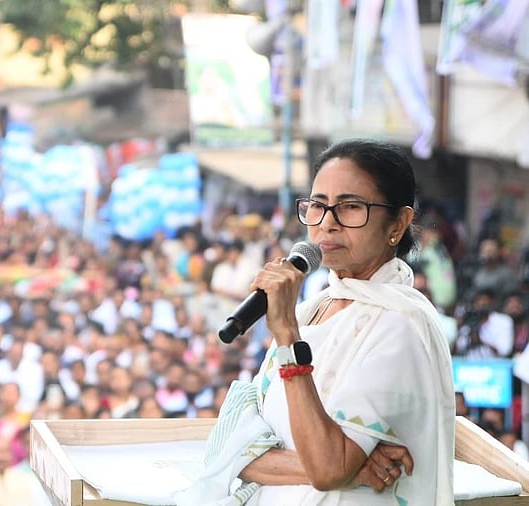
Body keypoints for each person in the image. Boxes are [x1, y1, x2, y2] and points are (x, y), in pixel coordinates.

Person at [175, 139, 454, 505]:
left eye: (351, 207)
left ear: (398, 224)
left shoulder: (400, 325)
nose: (327, 224)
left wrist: (288, 337)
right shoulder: (311, 310)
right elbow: (230, 450)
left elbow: (327, 468)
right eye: (318, 206)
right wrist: (353, 466)